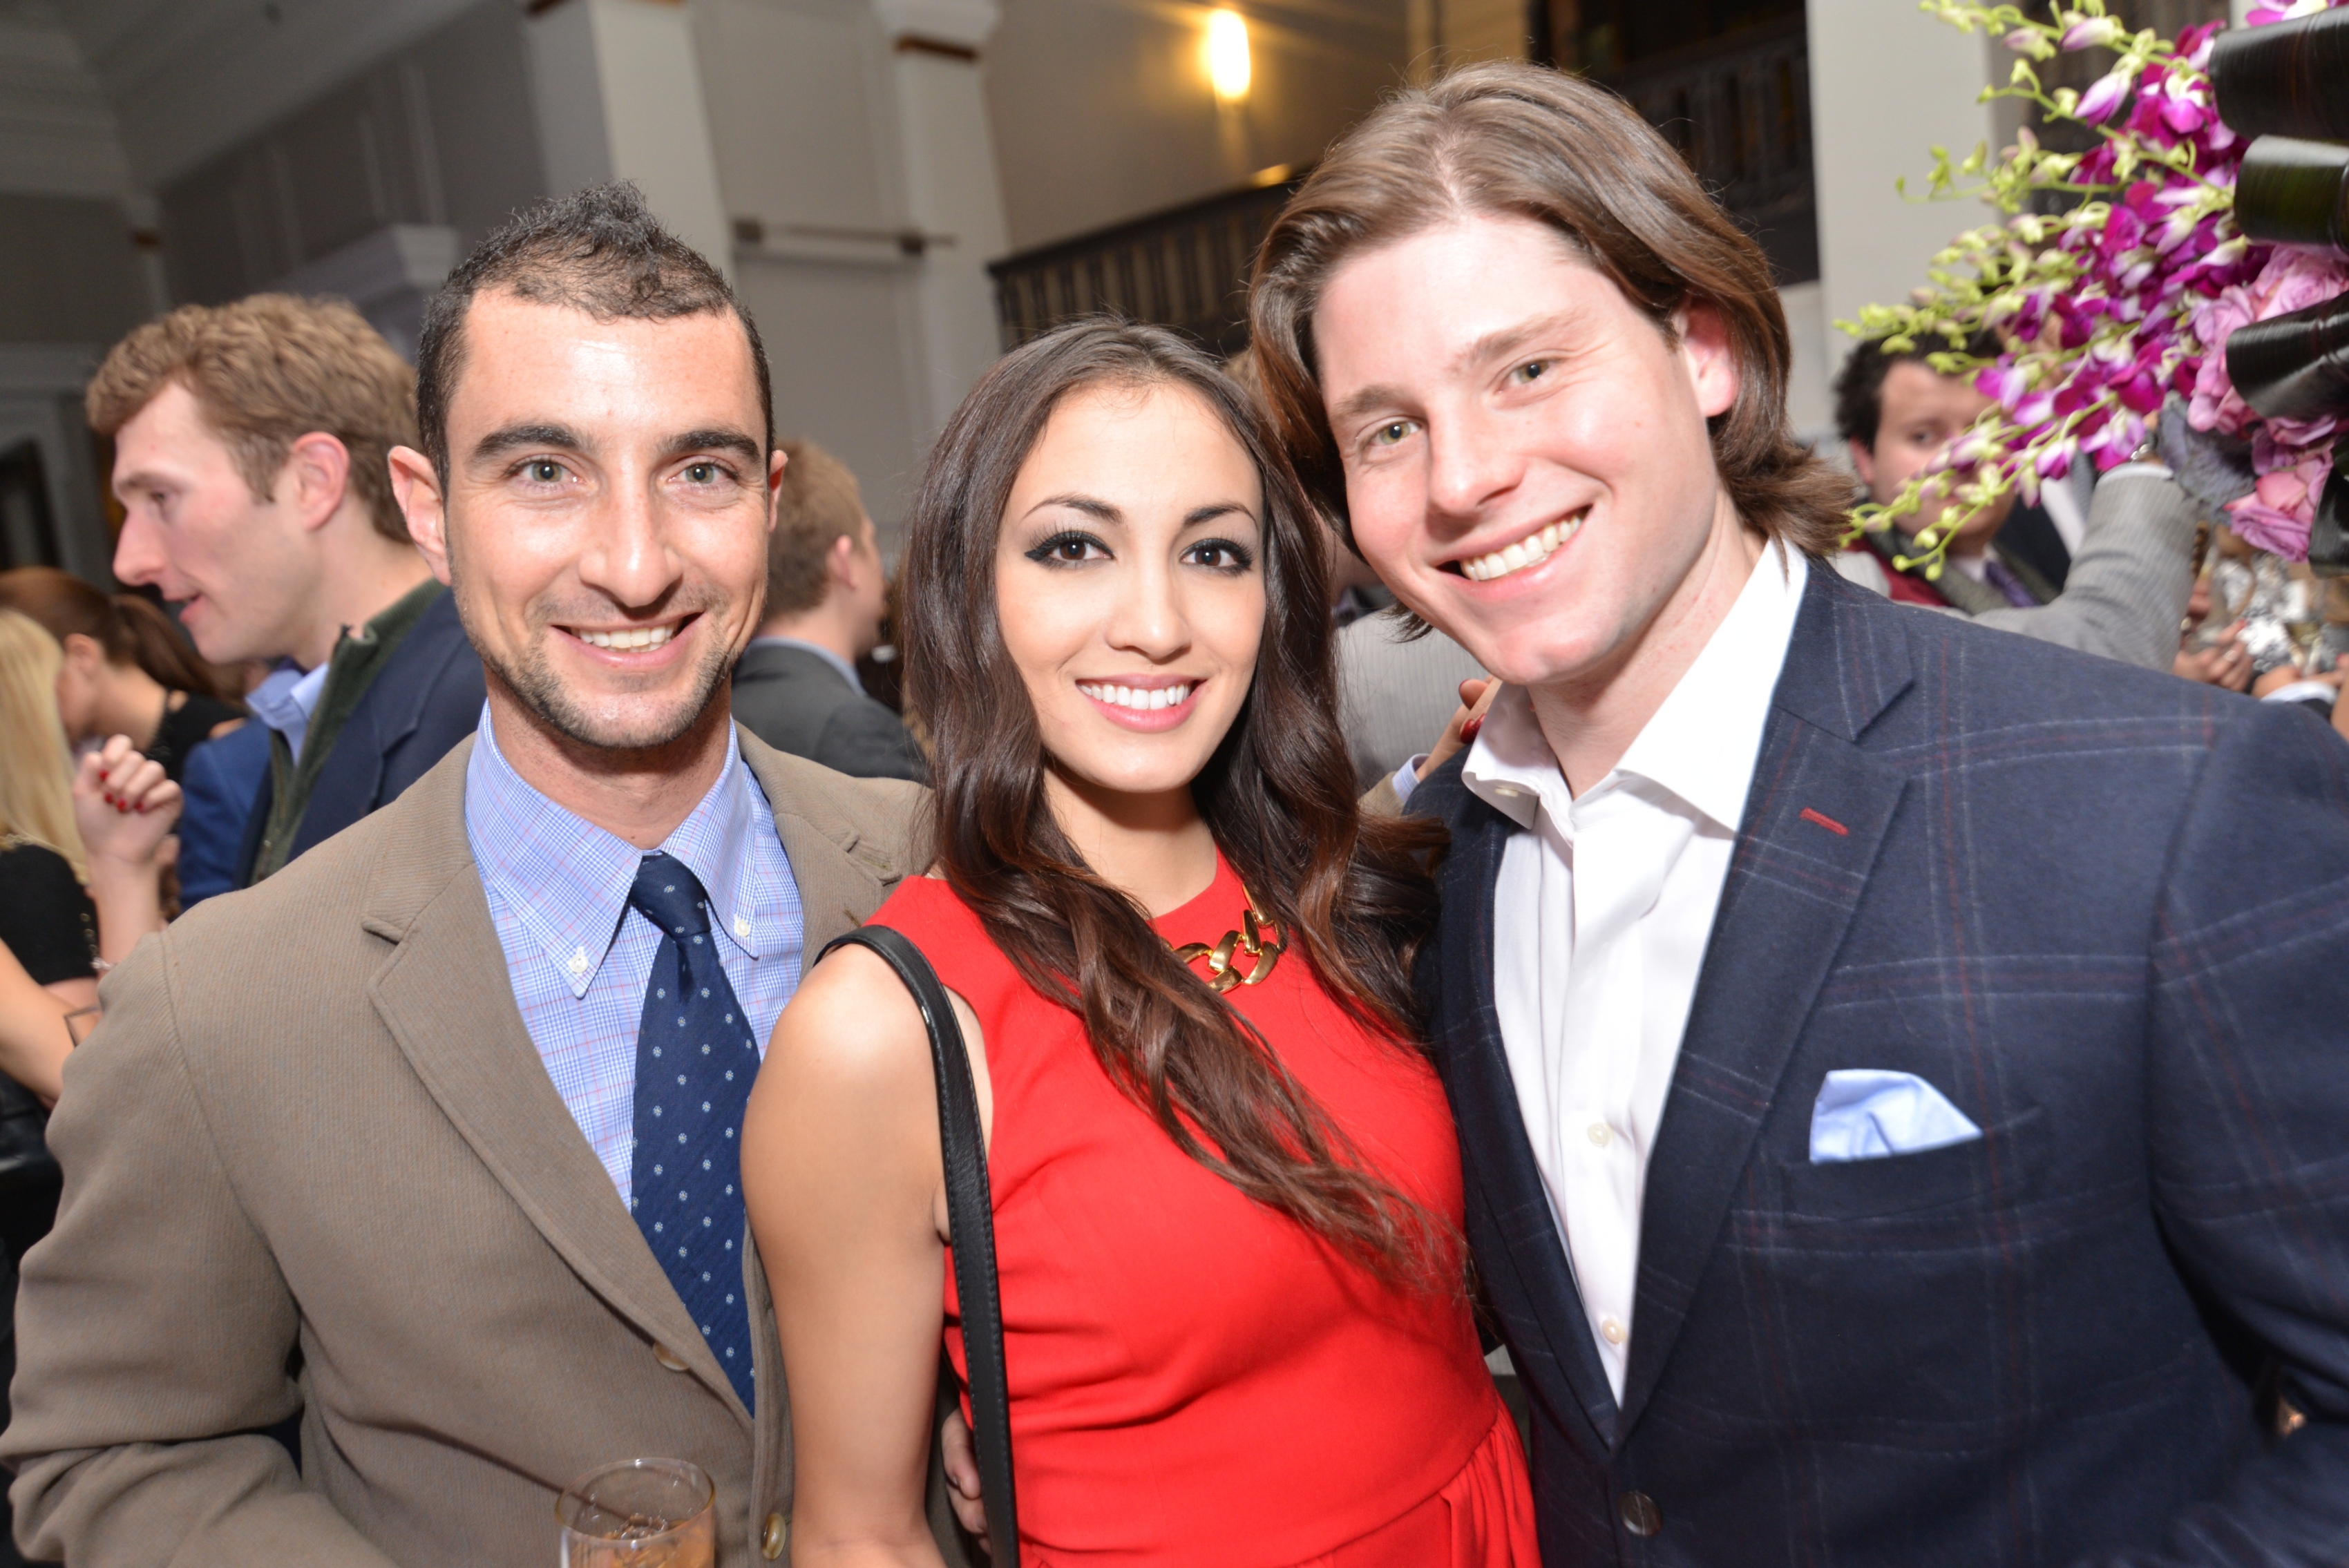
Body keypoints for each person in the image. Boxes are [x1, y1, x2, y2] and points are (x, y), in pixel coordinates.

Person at [1237, 60, 2349, 1565]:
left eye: (1527, 369)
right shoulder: (1436, 875)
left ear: (1701, 348)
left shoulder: (2161, 806)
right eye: (1385, 430)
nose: (1465, 477)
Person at [1, 185, 956, 1565]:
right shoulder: (220, 1009)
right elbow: (116, 1454)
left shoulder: (953, 876)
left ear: (768, 499)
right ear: (428, 511)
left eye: (698, 471)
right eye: (543, 471)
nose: (635, 563)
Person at [748, 318, 1534, 1568]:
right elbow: (861, 1537)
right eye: (1075, 547)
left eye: (1213, 552)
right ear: (966, 588)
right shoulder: (881, 1034)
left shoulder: (1348, 901)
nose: (1158, 623)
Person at [93, 293, 484, 888]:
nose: (130, 564)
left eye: (161, 498)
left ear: (313, 481)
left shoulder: (485, 711)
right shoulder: (309, 712)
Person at [1829, 335, 2200, 670]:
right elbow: (2087, 667)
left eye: (1989, 429)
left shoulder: (2014, 559)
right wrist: (2146, 447)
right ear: (1864, 457)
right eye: (1924, 436)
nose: (1963, 457)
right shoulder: (1855, 594)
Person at [0, 566, 251, 904]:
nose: (19, 715)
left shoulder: (223, 742)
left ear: (82, 656)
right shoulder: (92, 767)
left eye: (23, 687)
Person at [730, 438, 926, 781]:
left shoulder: (724, 718)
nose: (884, 579)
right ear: (843, 563)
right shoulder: (856, 731)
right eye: (871, 542)